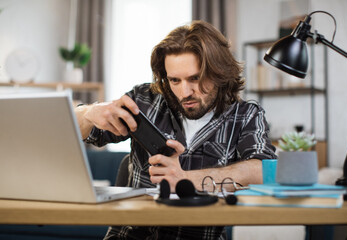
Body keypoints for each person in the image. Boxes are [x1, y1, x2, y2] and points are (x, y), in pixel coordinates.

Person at [75, 20, 276, 240]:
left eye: (195, 78)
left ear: (219, 72)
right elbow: (75, 129)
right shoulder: (143, 100)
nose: (185, 92)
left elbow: (262, 172)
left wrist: (185, 179)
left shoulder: (246, 115)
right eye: (174, 80)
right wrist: (88, 113)